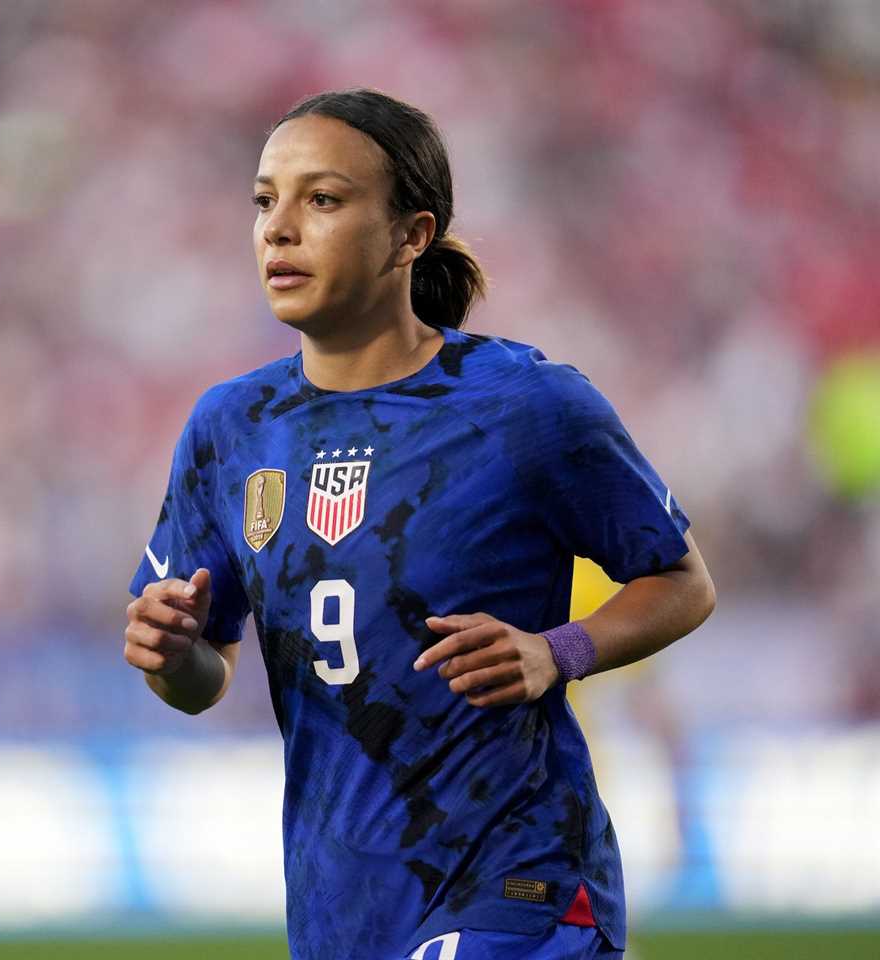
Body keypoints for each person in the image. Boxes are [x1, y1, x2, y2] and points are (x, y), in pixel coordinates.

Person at [124, 88, 716, 960]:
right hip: (342, 904)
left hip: (518, 881)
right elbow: (206, 674)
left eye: (322, 200)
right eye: (264, 200)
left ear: (412, 235)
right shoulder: (231, 428)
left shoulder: (525, 404)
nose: (279, 228)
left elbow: (683, 581)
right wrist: (171, 655)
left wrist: (560, 651)